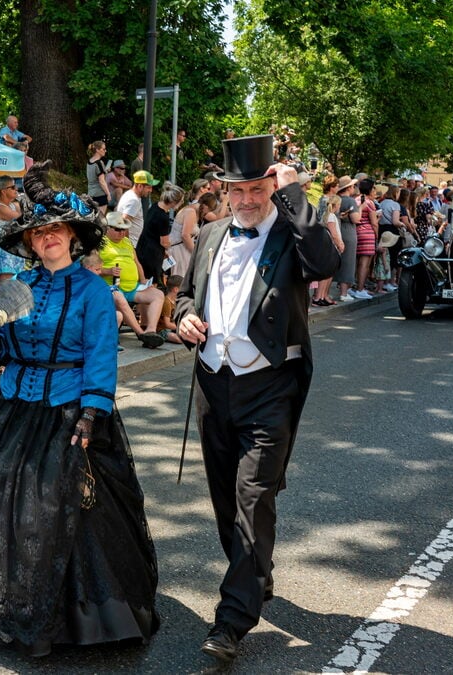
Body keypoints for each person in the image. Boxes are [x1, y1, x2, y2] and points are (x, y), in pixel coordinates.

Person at [0, 160, 159, 656]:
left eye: (56, 230)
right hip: (14, 403)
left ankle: (79, 617)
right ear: (31, 243)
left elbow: (102, 356)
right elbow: (2, 352)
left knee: (63, 504)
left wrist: (91, 413)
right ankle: (8, 605)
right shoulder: (16, 289)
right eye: (40, 233)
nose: (48, 238)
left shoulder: (96, 293)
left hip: (70, 408)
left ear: (74, 238)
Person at [174, 135, 340, 663]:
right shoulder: (210, 234)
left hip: (269, 387)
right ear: (223, 191)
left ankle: (232, 621)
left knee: (253, 499)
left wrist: (294, 196)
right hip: (213, 383)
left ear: (271, 184)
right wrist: (183, 317)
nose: (245, 199)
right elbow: (183, 292)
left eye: (256, 188)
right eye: (236, 190)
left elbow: (325, 264)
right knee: (226, 500)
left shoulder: (293, 234)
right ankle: (255, 575)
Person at [98, 212, 167, 347]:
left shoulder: (127, 242)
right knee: (120, 298)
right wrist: (108, 271)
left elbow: (137, 263)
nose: (122, 233)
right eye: (118, 229)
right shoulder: (100, 243)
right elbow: (89, 268)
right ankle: (141, 334)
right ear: (108, 228)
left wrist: (143, 280)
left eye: (124, 229)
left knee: (157, 294)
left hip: (133, 286)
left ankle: (150, 331)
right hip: (111, 287)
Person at [137, 181, 184, 283]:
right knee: (151, 282)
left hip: (142, 246)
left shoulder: (154, 206)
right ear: (174, 202)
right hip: (152, 254)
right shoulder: (163, 217)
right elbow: (164, 242)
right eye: (181, 201)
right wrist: (170, 246)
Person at [0, 176, 29, 281]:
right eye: (13, 187)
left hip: (15, 251)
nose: (16, 189)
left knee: (14, 288)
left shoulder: (13, 205)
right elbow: (23, 219)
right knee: (6, 288)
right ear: (4, 191)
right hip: (5, 252)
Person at [118, 170, 157, 245]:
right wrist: (128, 246)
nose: (151, 190)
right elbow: (124, 221)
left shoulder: (129, 194)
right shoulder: (134, 200)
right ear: (140, 186)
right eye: (149, 187)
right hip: (130, 244)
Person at [85, 141, 110, 213]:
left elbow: (94, 176)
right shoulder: (99, 163)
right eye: (103, 149)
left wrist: (105, 171)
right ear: (97, 150)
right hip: (100, 195)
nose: (105, 151)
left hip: (90, 194)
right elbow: (101, 181)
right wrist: (108, 194)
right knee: (100, 219)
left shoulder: (89, 161)